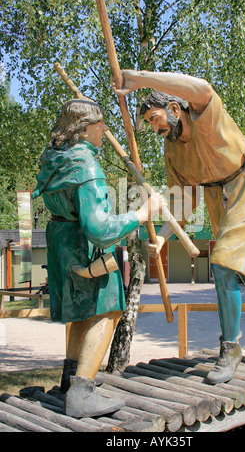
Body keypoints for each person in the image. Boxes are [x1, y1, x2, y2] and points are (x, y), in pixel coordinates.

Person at [112, 69, 245, 384]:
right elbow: (181, 203)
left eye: (156, 118)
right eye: (151, 124)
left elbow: (202, 87)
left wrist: (140, 79)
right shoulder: (172, 150)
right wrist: (165, 237)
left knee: (223, 264)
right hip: (217, 197)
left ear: (175, 109)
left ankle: (230, 349)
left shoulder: (204, 117)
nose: (156, 127)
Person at [32, 97, 164, 417]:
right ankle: (82, 391)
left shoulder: (53, 157)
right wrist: (141, 213)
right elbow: (100, 228)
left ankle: (71, 376)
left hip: (61, 239)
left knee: (82, 311)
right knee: (109, 309)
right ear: (85, 127)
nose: (105, 130)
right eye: (101, 124)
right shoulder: (85, 165)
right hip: (82, 243)